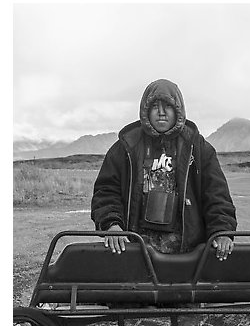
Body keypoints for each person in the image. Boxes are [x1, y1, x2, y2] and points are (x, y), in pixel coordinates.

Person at [91, 79, 237, 261]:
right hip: (135, 249)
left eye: (167, 106)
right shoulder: (125, 147)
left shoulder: (199, 148)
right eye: (154, 106)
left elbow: (217, 195)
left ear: (178, 110)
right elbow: (106, 191)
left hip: (188, 253)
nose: (161, 112)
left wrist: (222, 231)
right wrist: (111, 225)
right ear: (145, 110)